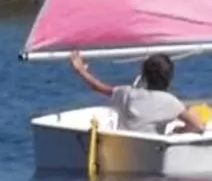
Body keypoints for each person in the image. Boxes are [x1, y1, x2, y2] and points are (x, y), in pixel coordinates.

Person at [66, 50, 200, 133]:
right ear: (170, 78)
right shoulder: (171, 102)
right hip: (151, 155)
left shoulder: (127, 94)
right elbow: (198, 126)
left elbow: (97, 86)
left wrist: (80, 70)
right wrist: (181, 131)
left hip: (123, 150)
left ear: (143, 76)